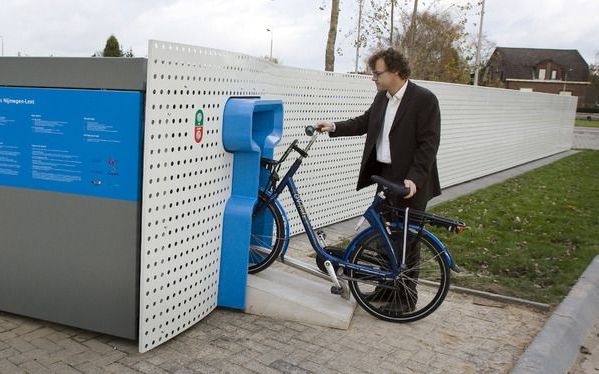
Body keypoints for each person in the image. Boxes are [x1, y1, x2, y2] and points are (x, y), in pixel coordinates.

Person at [316, 47, 441, 313]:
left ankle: (405, 298)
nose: (373, 78)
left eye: (377, 73)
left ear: (396, 72)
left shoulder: (424, 99)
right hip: (385, 178)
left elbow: (428, 144)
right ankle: (385, 289)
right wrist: (334, 126)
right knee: (383, 236)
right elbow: (364, 122)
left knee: (406, 242)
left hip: (410, 183)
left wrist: (414, 179)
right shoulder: (382, 98)